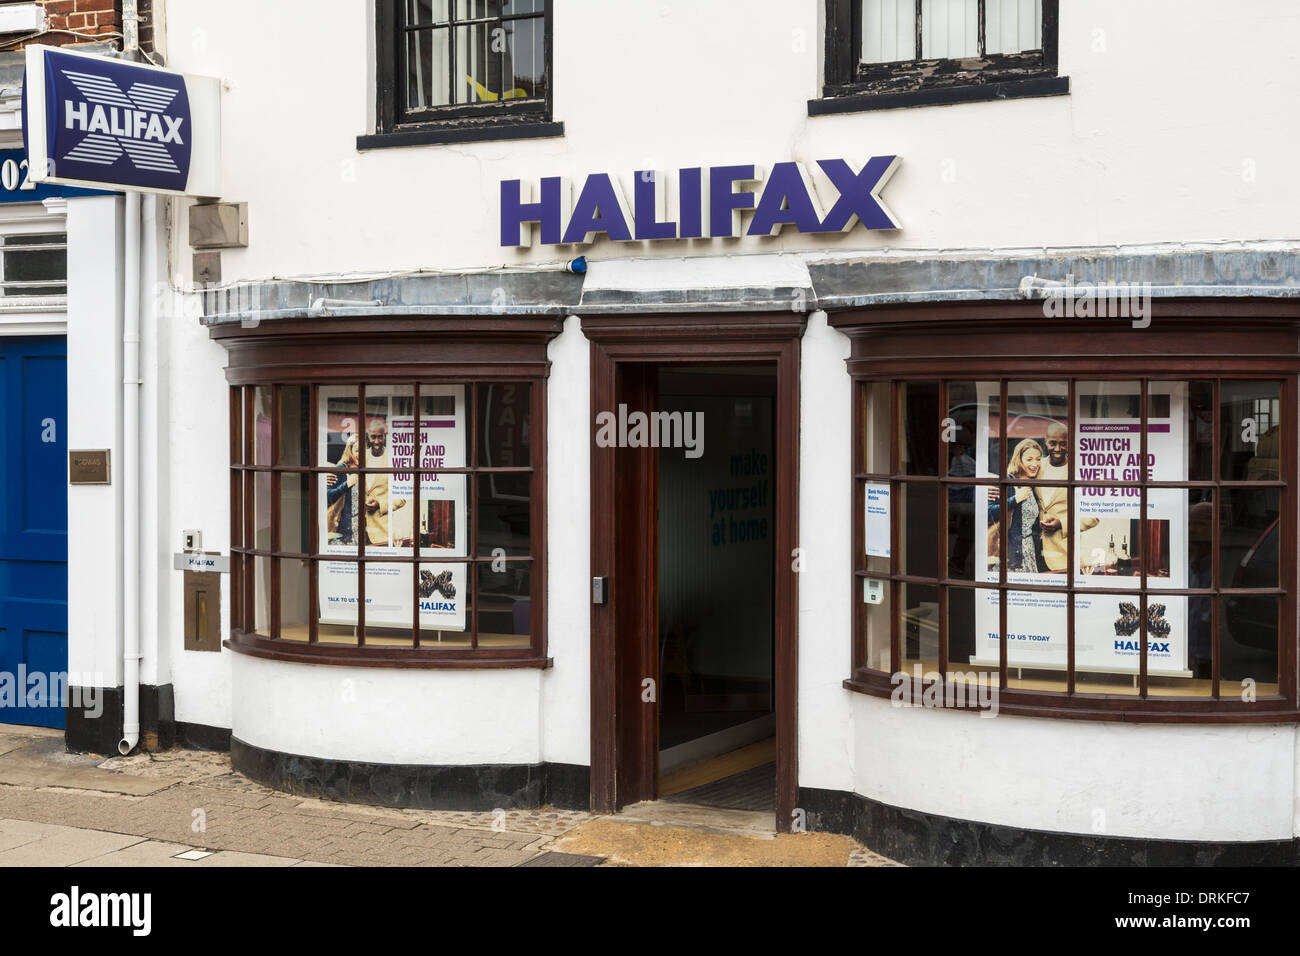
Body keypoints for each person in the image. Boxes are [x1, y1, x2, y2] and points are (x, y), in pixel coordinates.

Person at [989, 438, 1045, 573]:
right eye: (1029, 459)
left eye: (1038, 459)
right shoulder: (1009, 483)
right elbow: (989, 512)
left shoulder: (1033, 485)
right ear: (1019, 460)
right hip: (1012, 551)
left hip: (1029, 550)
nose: (1035, 464)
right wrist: (1015, 499)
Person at [363, 418, 406, 546]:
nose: (376, 442)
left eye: (380, 437)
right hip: (357, 527)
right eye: (373, 437)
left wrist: (380, 504)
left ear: (385, 436)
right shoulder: (360, 456)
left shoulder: (393, 459)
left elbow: (402, 497)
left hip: (382, 531)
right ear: (368, 436)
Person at [1036, 422, 1070, 573]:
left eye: (1063, 444)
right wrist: (991, 488)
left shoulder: (1078, 470)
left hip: (1063, 553)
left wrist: (1061, 523)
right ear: (1045, 441)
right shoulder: (1036, 466)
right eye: (1053, 443)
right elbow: (1010, 477)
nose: (1057, 449)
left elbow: (1093, 516)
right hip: (1034, 550)